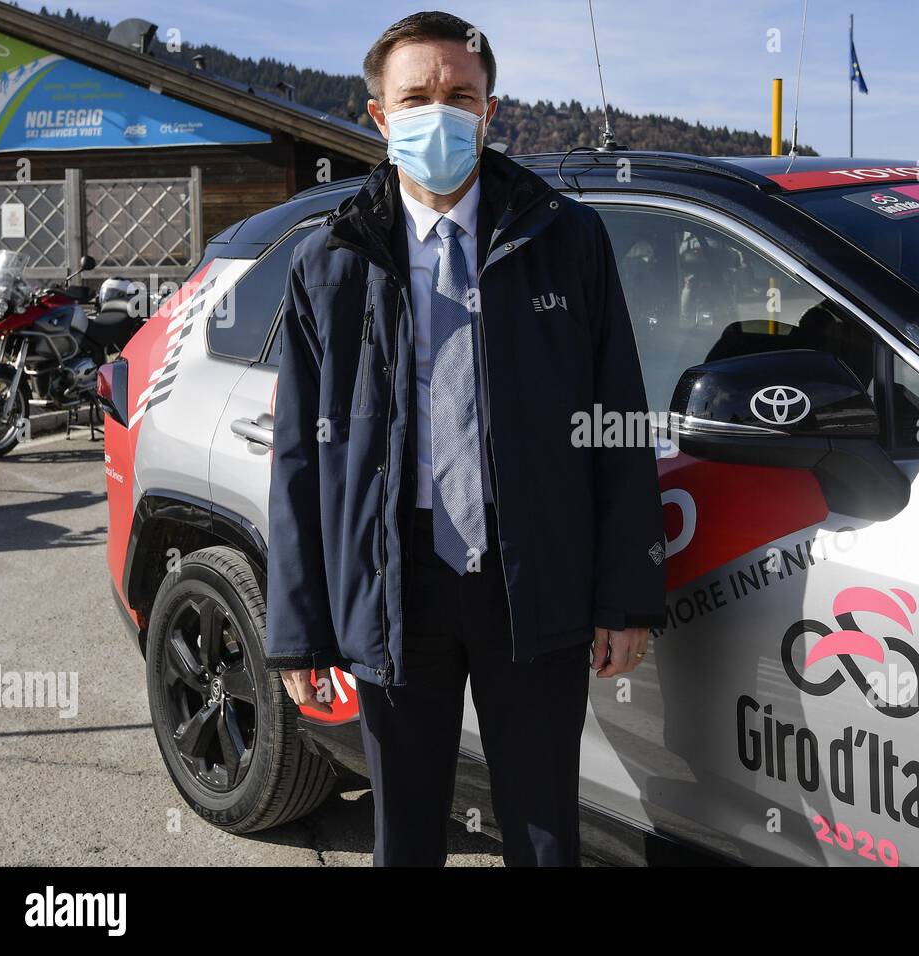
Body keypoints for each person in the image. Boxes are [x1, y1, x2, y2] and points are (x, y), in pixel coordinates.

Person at [263, 10, 666, 866]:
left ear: (490, 111)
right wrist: (298, 625)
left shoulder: (566, 240)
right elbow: (299, 454)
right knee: (404, 837)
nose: (438, 112)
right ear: (378, 115)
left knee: (546, 831)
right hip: (392, 579)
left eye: (460, 95)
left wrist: (626, 594)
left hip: (533, 576)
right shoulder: (329, 260)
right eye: (416, 96)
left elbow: (618, 421)